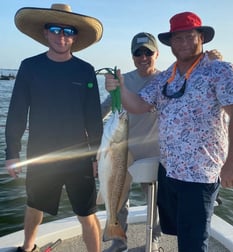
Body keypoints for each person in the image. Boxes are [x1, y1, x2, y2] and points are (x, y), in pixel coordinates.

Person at [105, 12, 233, 252]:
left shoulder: (221, 70)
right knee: (177, 232)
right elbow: (139, 106)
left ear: (201, 37)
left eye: (189, 37)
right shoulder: (165, 77)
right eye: (177, 38)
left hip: (200, 175)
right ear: (170, 43)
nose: (183, 43)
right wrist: (119, 87)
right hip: (169, 170)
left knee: (192, 243)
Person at [5, 4, 103, 252]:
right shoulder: (29, 67)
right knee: (34, 204)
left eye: (68, 30)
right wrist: (12, 153)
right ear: (45, 33)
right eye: (56, 29)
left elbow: (93, 119)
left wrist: (95, 156)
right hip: (41, 153)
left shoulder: (86, 70)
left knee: (87, 213)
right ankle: (27, 247)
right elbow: (17, 113)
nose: (62, 35)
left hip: (79, 157)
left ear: (75, 36)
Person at [102, 32, 162, 252]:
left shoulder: (166, 79)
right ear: (132, 56)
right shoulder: (123, 80)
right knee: (118, 199)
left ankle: (154, 240)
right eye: (138, 53)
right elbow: (105, 108)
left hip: (155, 152)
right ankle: (119, 241)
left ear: (157, 53)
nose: (143, 57)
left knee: (156, 202)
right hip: (123, 151)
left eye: (148, 52)